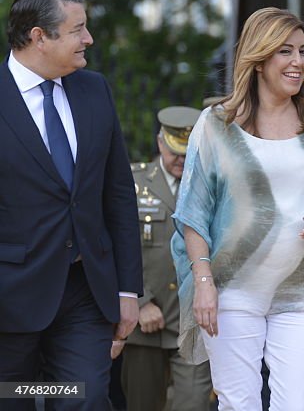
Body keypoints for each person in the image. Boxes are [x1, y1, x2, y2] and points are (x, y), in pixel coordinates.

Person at [171, 7, 304, 410]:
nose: (299, 63)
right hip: (231, 287)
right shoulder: (216, 125)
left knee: (297, 403)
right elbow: (193, 213)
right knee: (239, 403)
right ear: (258, 59)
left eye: (302, 52)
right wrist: (204, 283)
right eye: (285, 52)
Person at [0, 0, 142, 409]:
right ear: (39, 37)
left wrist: (128, 290)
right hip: (11, 295)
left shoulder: (93, 89)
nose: (89, 40)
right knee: (15, 398)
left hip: (85, 290)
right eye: (78, 29)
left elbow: (118, 194)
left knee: (85, 396)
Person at [122, 106, 213, 410]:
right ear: (160, 142)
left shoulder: (211, 186)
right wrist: (140, 299)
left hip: (194, 325)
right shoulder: (132, 184)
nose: (182, 160)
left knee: (194, 403)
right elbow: (113, 247)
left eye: (189, 153)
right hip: (143, 324)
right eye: (175, 152)